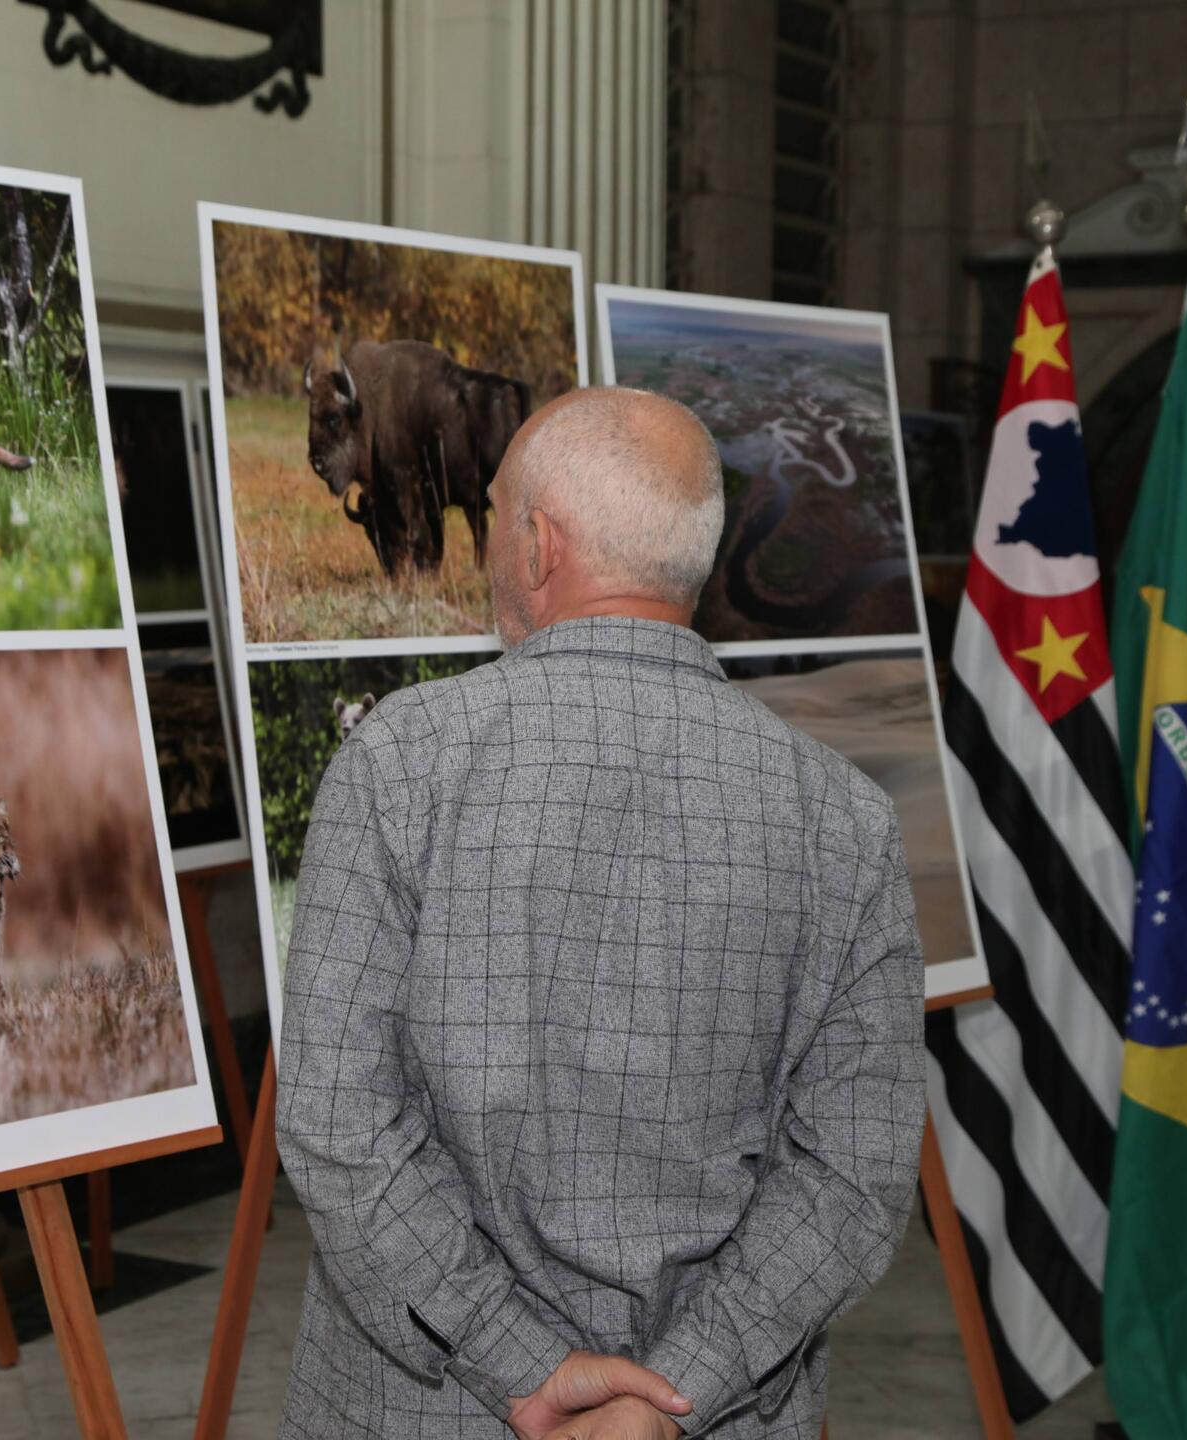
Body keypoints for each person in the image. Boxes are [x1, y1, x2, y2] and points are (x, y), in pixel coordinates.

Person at [276, 387, 927, 1438]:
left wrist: (521, 1364)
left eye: (492, 516)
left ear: (536, 546)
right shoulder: (842, 816)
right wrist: (675, 1394)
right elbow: (852, 1176)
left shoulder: (397, 765)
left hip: (425, 1411)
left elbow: (339, 1127)